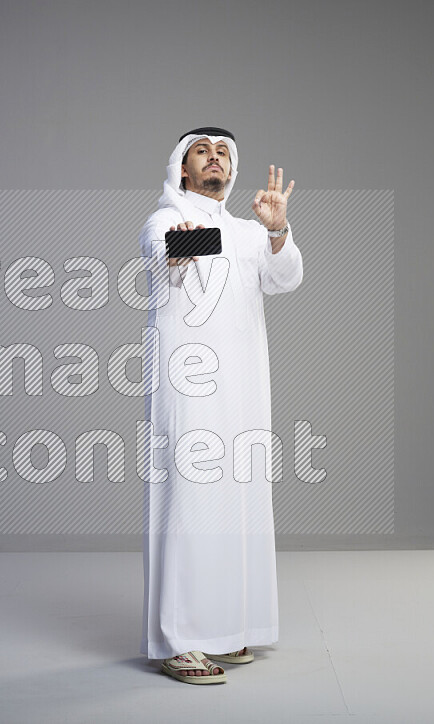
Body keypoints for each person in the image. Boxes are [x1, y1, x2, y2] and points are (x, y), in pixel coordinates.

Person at [138, 127, 303, 684]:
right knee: (190, 501)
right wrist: (192, 243)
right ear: (182, 170)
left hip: (244, 385)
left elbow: (285, 278)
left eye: (223, 152)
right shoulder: (165, 219)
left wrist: (278, 229)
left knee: (239, 501)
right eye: (202, 152)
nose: (215, 159)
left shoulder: (247, 231)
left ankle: (226, 629)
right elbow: (166, 256)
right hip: (188, 385)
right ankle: (179, 640)